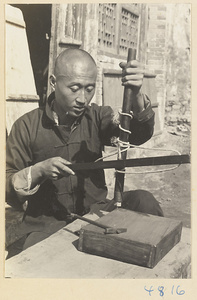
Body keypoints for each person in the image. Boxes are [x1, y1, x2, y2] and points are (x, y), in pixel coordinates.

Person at [6, 48, 163, 257]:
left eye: (89, 89)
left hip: (97, 215)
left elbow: (134, 134)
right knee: (30, 263)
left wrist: (135, 95)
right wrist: (38, 171)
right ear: (53, 82)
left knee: (143, 201)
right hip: (47, 224)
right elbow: (7, 184)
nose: (83, 98)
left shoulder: (97, 117)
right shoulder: (26, 126)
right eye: (75, 88)